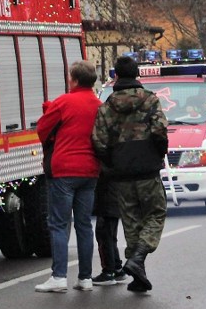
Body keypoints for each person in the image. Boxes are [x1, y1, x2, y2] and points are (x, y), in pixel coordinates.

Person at [92, 55, 169, 293]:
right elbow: (159, 131)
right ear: (137, 75)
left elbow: (99, 141)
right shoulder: (150, 100)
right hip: (147, 168)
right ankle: (138, 257)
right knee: (156, 213)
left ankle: (138, 274)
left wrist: (112, 163)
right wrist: (157, 154)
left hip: (120, 172)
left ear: (116, 75)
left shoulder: (106, 106)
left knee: (131, 221)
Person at [35, 60, 102, 293]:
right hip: (90, 170)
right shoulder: (98, 104)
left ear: (73, 79)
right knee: (84, 224)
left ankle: (59, 276)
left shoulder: (63, 102)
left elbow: (42, 129)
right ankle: (85, 278)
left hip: (64, 170)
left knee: (59, 224)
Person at [91, 172, 129, 286]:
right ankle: (117, 268)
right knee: (110, 235)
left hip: (107, 194)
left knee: (104, 234)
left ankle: (108, 271)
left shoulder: (107, 157)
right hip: (116, 193)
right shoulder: (119, 156)